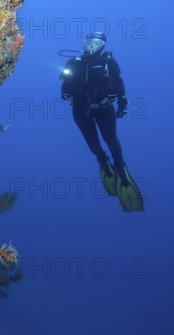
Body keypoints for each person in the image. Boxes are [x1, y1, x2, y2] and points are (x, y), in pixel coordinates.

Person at [60, 32, 144, 212]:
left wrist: (122, 103)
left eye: (97, 43)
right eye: (90, 42)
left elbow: (120, 84)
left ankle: (120, 166)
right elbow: (65, 89)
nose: (92, 45)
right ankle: (103, 161)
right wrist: (66, 86)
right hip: (80, 109)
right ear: (84, 43)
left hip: (104, 107)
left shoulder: (109, 62)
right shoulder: (74, 62)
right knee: (93, 143)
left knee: (111, 140)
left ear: (103, 46)